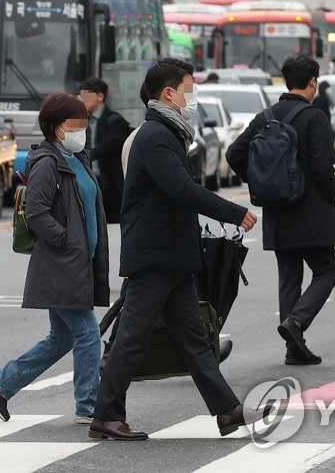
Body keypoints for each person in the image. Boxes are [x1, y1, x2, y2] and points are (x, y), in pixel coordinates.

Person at [90, 58, 258, 441]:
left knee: (196, 340)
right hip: (156, 254)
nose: (193, 98)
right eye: (189, 89)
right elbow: (181, 189)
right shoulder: (156, 136)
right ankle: (106, 415)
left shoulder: (168, 133)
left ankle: (227, 410)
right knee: (131, 338)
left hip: (172, 254)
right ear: (169, 93)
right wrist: (234, 213)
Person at [0, 92, 109, 425]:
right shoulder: (49, 161)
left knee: (62, 337)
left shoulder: (77, 158)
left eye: (83, 123)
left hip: (77, 260)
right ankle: (88, 405)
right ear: (54, 126)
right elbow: (36, 213)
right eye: (73, 124)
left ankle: (1, 383)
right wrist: (67, 242)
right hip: (62, 262)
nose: (81, 130)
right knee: (86, 333)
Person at [227, 54, 335, 365]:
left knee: (289, 277)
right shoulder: (314, 118)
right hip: (312, 210)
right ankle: (297, 322)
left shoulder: (266, 116)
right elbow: (322, 168)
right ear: (313, 82)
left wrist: (261, 181)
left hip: (278, 212)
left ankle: (294, 350)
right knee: (326, 272)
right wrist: (331, 196)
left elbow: (234, 153)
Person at [78, 78, 132, 223]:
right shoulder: (82, 120)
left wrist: (90, 154)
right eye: (80, 96)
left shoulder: (115, 120)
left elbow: (113, 142)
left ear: (100, 96)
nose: (82, 100)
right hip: (89, 182)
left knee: (114, 225)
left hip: (111, 185)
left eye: (86, 96)